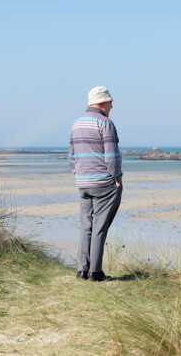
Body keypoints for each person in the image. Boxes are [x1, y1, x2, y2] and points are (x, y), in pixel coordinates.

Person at [69, 86, 123, 282]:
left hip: (83, 182)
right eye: (110, 103)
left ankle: (82, 270)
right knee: (100, 226)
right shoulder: (105, 123)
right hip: (103, 183)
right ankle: (96, 272)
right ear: (102, 103)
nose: (112, 106)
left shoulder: (77, 123)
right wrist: (116, 176)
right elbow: (111, 154)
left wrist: (78, 174)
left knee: (86, 226)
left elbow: (72, 155)